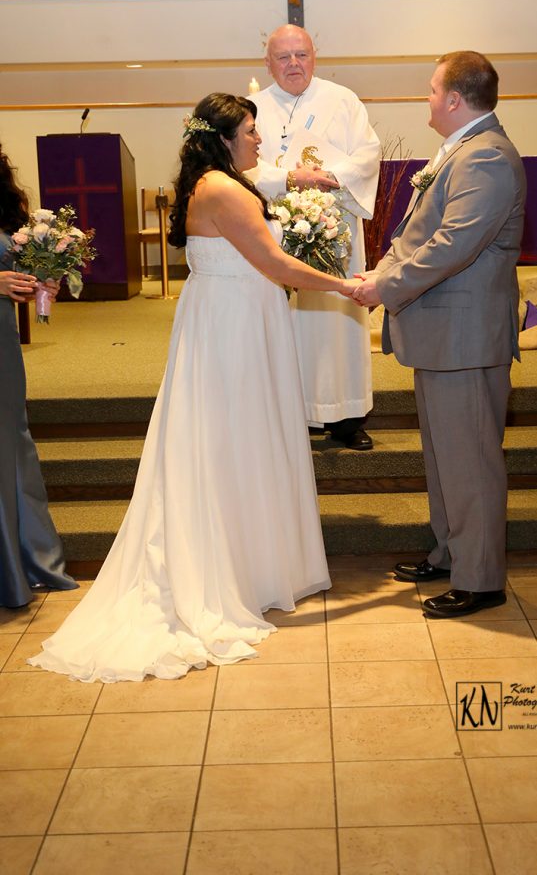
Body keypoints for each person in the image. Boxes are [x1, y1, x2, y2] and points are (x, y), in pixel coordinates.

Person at [29, 93, 360, 681]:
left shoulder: (217, 181)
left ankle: (251, 563)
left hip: (234, 315)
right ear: (226, 135)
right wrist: (346, 287)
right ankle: (229, 569)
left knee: (237, 438)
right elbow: (278, 267)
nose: (260, 139)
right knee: (231, 437)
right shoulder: (225, 191)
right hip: (233, 326)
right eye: (253, 130)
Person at [353, 52, 526, 618]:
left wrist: (386, 286)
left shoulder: (488, 158)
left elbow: (454, 244)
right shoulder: (464, 152)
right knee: (445, 456)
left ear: (455, 100)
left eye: (431, 91)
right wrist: (382, 270)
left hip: (464, 337)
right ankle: (451, 552)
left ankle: (481, 579)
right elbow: (420, 235)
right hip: (442, 333)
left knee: (471, 461)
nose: (426, 99)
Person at [247, 24, 380, 450]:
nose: (293, 64)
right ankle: (293, 417)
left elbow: (368, 154)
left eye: (301, 55)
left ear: (315, 56)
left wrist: (330, 178)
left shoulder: (343, 101)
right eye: (283, 57)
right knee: (288, 322)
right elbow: (243, 166)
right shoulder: (252, 107)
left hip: (335, 227)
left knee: (338, 320)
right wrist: (289, 177)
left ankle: (348, 417)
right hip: (278, 231)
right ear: (267, 63)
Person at [0, 144, 77, 608]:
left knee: (12, 442)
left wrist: (37, 279)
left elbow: (14, 267)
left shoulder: (6, 197)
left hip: (1, 342)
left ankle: (26, 559)